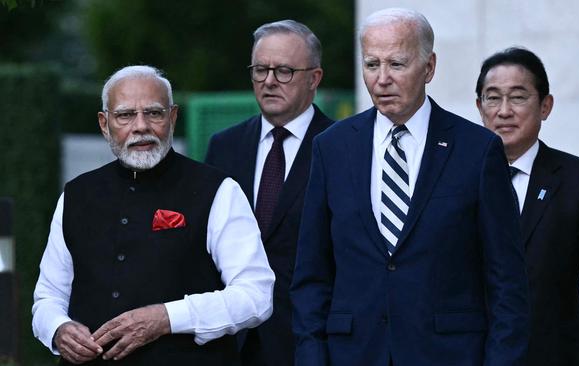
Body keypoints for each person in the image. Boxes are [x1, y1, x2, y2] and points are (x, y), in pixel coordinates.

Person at [290, 8, 529, 366]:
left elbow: (507, 282)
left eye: (397, 65)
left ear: (429, 67)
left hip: (448, 355)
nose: (382, 79)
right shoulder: (332, 147)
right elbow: (311, 274)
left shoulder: (477, 151)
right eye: (372, 65)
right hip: (352, 354)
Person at [32, 65, 275, 365]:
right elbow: (47, 298)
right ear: (104, 124)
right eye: (125, 115)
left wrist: (167, 317)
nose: (141, 126)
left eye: (154, 113)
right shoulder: (76, 195)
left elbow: (255, 296)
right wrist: (58, 329)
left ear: (172, 117)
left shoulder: (219, 191)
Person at [476, 47, 579, 366]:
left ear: (545, 106)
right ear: (479, 107)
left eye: (518, 97)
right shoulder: (455, 179)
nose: (504, 111)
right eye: (492, 98)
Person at [204, 20, 333, 366]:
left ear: (314, 78)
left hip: (310, 341)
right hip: (232, 343)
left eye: (285, 71)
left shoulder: (342, 147)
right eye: (260, 69)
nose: (269, 81)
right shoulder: (224, 146)